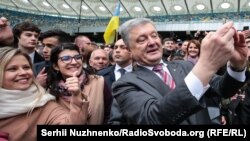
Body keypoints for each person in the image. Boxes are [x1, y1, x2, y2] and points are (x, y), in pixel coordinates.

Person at [112, 18, 248, 124]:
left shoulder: (185, 66)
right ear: (129, 50)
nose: (152, 42)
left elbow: (223, 89)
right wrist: (206, 65)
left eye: (154, 35)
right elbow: (152, 119)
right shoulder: (124, 84)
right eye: (142, 40)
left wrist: (237, 66)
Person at [0, 47, 88, 141]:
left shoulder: (45, 105)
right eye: (12, 69)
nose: (23, 72)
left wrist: (77, 95)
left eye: (26, 67)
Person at [48, 43, 112, 124]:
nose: (74, 62)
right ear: (55, 66)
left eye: (77, 57)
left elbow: (109, 114)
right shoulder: (50, 91)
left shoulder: (98, 82)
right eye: (66, 58)